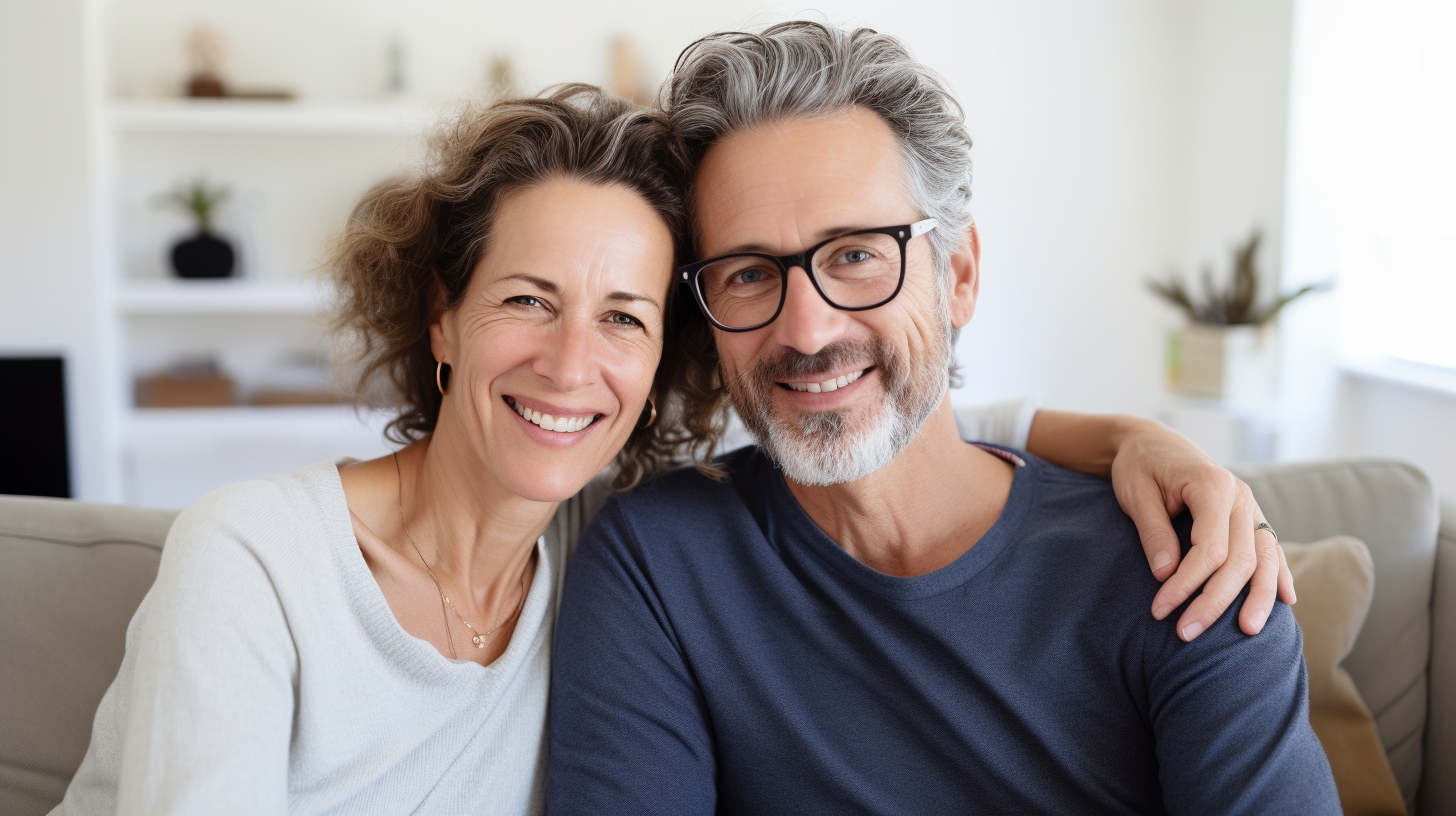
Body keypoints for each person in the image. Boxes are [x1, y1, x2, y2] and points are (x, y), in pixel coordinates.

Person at [56, 87, 1283, 816]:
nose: (570, 365)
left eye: (625, 320)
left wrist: (1133, 437)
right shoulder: (262, 564)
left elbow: (874, 416)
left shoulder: (595, 531)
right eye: (527, 299)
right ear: (440, 314)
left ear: (660, 369)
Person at [547, 23, 1339, 815]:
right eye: (749, 274)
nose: (807, 332)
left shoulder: (1186, 567)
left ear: (957, 277)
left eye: (856, 254)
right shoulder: (656, 565)